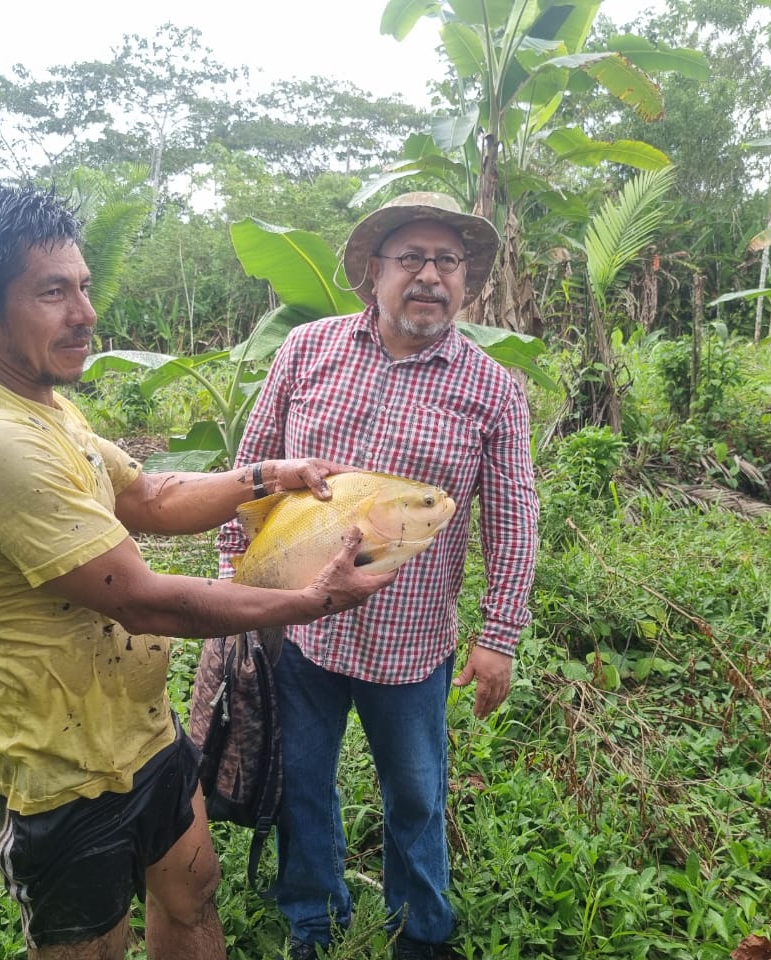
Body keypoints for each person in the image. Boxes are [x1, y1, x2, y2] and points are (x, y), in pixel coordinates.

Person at [0, 183, 397, 960]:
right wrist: (309, 600)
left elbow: (148, 494)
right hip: (61, 773)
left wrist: (269, 475)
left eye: (83, 286)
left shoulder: (46, 407)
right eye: (52, 293)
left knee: (193, 897)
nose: (85, 312)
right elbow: (143, 602)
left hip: (143, 735)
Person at [217, 192, 540, 960]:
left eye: (448, 262)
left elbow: (514, 515)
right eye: (412, 258)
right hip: (302, 627)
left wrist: (500, 635)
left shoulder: (492, 387)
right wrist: (233, 577)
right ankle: (313, 923)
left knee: (417, 795)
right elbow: (252, 469)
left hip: (411, 641)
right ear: (373, 270)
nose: (431, 276)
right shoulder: (308, 350)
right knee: (301, 784)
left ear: (467, 280)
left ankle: (420, 933)